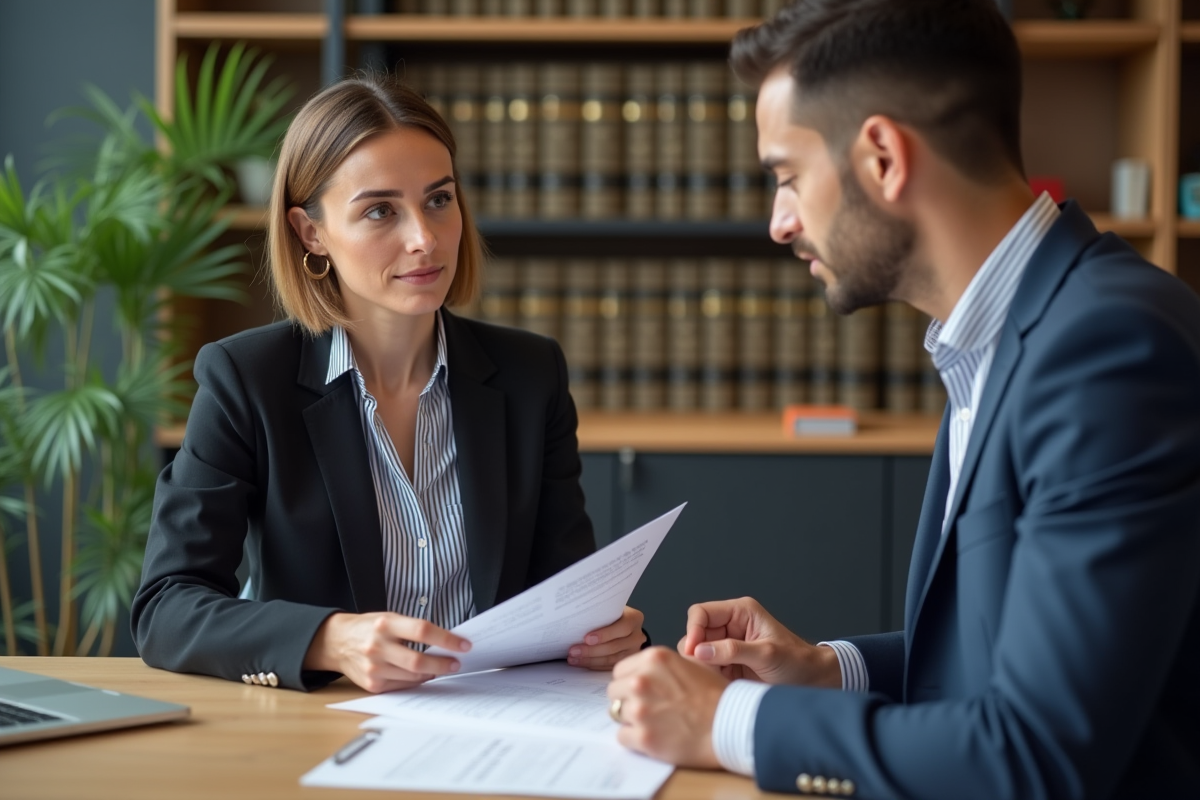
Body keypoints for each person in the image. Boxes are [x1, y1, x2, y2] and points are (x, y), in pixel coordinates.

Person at [605, 1, 1200, 797]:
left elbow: (1039, 752)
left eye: (787, 176)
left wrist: (724, 723)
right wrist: (827, 669)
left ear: (882, 157)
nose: (779, 223)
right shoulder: (1020, 331)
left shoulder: (1106, 352)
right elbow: (1009, 656)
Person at [132, 76, 645, 693]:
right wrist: (330, 639)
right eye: (380, 210)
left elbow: (565, 589)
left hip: (501, 720)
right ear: (310, 232)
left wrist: (603, 632)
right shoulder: (247, 380)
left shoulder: (530, 375)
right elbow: (165, 606)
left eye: (438, 200)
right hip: (321, 729)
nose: (424, 238)